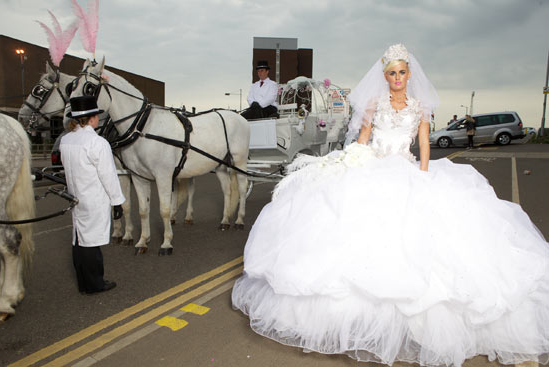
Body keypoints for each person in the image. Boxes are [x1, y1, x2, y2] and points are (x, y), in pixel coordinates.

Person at [231, 44, 549, 367]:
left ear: (409, 74)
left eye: (402, 73)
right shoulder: (375, 103)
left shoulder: (419, 107)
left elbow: (424, 143)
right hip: (374, 169)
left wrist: (424, 178)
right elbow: (364, 137)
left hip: (408, 171)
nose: (397, 78)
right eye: (392, 74)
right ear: (385, 76)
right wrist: (352, 159)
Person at [60, 96, 125, 294]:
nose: (98, 119)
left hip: (76, 197)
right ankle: (95, 284)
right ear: (91, 118)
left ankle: (83, 282)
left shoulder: (66, 140)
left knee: (79, 240)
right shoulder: (97, 142)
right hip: (94, 198)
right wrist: (117, 202)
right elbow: (108, 176)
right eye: (97, 116)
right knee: (92, 244)